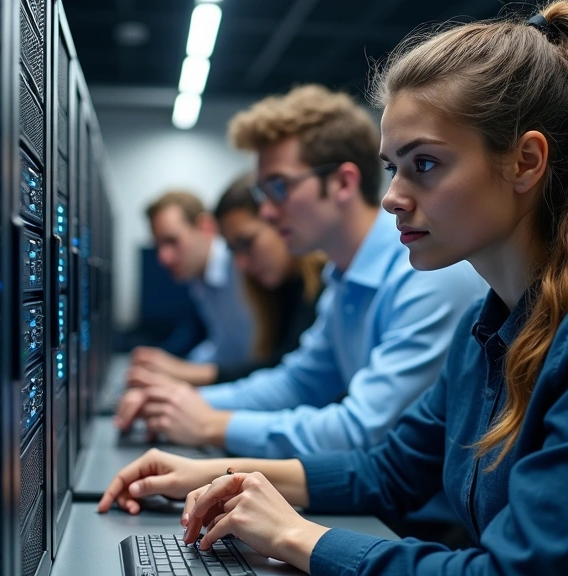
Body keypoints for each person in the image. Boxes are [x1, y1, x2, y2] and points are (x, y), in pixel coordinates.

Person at [98, 3, 568, 574]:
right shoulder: (491, 327)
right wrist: (215, 476)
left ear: (525, 162)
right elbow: (386, 471)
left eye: (425, 165)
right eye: (393, 168)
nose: (394, 199)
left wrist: (296, 536)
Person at [115, 84, 487, 458]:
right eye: (263, 194)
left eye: (279, 187)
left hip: (423, 515)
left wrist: (211, 424)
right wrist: (182, 401)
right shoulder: (342, 279)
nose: (268, 212)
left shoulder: (424, 271)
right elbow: (297, 383)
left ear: (343, 183)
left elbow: (365, 431)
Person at [131, 173, 328, 386]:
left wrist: (190, 380)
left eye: (246, 242)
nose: (241, 264)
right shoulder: (272, 285)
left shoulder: (318, 282)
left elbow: (283, 376)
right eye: (233, 248)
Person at [141, 190, 255, 365]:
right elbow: (225, 347)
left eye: (172, 241)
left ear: (205, 227)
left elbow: (257, 357)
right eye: (158, 246)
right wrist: (174, 368)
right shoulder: (198, 280)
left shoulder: (241, 264)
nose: (163, 258)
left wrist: (179, 371)